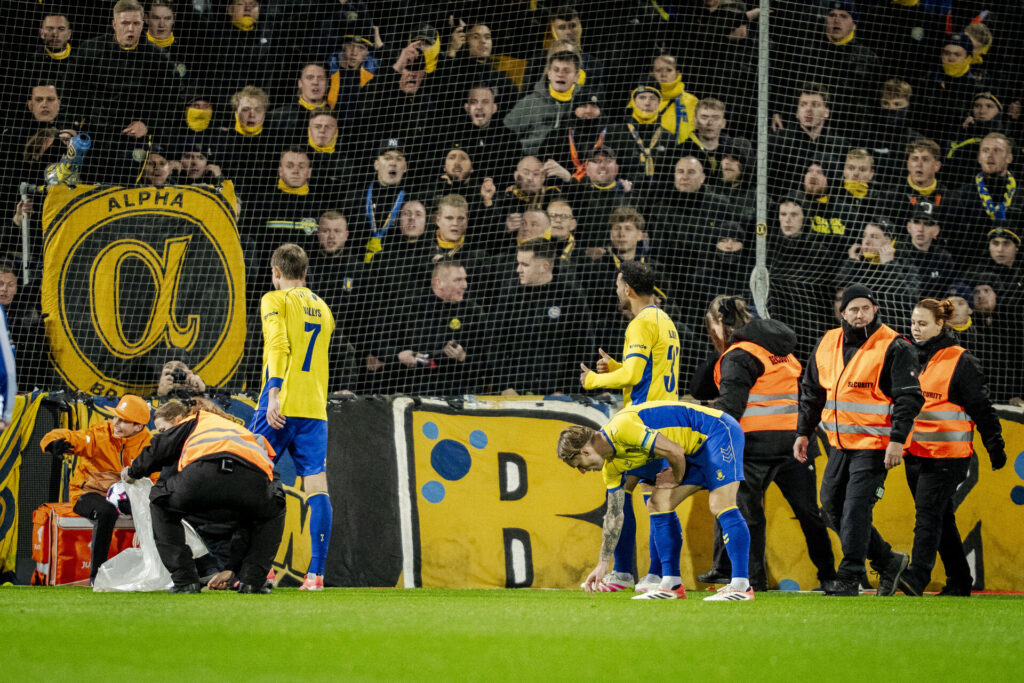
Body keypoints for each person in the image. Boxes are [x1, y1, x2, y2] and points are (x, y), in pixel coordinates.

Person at [794, 284, 924, 596]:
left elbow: (909, 399)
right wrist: (802, 432)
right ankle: (887, 560)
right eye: (854, 308)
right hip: (839, 445)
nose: (860, 313)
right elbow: (812, 393)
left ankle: (850, 576)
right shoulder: (827, 342)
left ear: (875, 310)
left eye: (866, 307)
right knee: (831, 508)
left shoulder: (895, 346)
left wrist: (897, 439)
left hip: (875, 446)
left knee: (855, 510)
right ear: (842, 313)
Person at [557, 400, 755, 602]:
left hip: (717, 431)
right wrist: (602, 563)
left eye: (578, 465)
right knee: (658, 503)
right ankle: (672, 584)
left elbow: (675, 451)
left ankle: (741, 586)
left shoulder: (622, 428)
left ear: (585, 451)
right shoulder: (612, 468)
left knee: (721, 504)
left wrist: (676, 478)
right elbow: (614, 516)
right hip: (691, 451)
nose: (582, 471)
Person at [579, 260, 684, 598]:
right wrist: (617, 366)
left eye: (617, 283)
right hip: (666, 416)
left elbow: (633, 377)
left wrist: (595, 379)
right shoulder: (663, 318)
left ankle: (635, 574)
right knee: (649, 494)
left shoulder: (640, 323)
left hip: (646, 420)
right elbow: (646, 369)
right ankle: (650, 575)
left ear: (627, 288)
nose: (616, 289)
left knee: (629, 493)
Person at [900, 298, 1006, 596]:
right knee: (940, 517)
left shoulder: (961, 361)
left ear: (940, 324)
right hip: (915, 454)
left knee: (928, 513)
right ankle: (960, 580)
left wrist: (994, 445)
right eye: (913, 323)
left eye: (922, 324)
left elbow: (982, 409)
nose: (915, 329)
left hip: (948, 456)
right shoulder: (907, 356)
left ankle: (916, 576)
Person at [123, 400, 285, 594]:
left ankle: (186, 581)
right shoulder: (244, 432)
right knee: (269, 512)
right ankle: (252, 581)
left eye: (164, 428)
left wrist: (133, 472)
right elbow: (272, 476)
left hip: (204, 474)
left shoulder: (195, 421)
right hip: (253, 480)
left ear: (179, 419)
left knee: (160, 502)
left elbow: (161, 447)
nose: (164, 432)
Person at [247, 243, 335, 591]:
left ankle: (260, 569)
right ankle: (316, 575)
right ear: (306, 272)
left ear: (276, 273)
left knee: (253, 481)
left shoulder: (275, 300)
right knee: (317, 487)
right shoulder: (324, 309)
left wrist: (273, 393)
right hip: (315, 410)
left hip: (279, 406)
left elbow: (278, 345)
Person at [40, 395, 152, 585]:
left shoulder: (149, 444)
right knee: (106, 512)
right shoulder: (99, 434)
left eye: (123, 420)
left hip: (131, 497)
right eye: (116, 417)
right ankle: (97, 576)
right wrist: (52, 443)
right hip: (87, 495)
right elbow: (72, 437)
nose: (116, 423)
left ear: (138, 427)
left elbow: (155, 478)